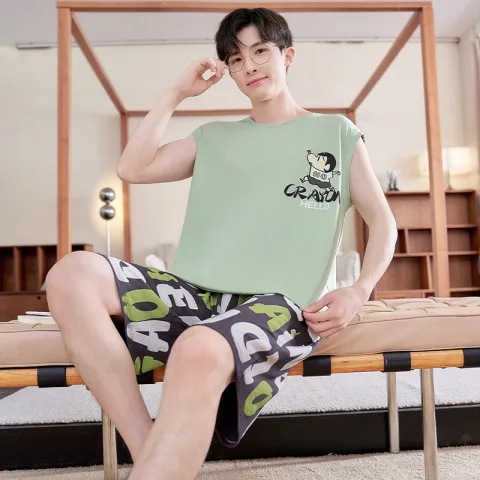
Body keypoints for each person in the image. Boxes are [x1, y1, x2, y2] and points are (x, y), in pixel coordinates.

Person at [45, 7, 397, 480]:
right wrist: (176, 93)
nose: (249, 66)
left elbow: (383, 222)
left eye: (260, 51)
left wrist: (359, 289)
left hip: (280, 304)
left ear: (287, 56)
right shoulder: (213, 137)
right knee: (70, 273)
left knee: (199, 346)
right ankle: (149, 453)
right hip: (195, 294)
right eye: (236, 59)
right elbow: (132, 168)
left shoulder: (336, 133)